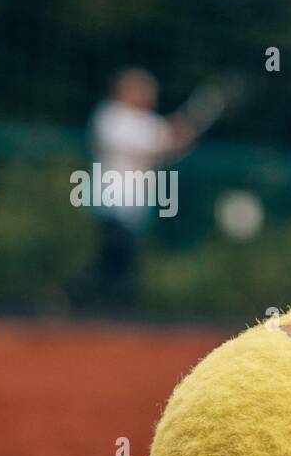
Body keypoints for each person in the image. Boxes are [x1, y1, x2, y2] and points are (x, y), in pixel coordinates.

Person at [71, 68, 203, 310]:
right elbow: (157, 142)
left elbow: (171, 145)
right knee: (118, 251)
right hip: (111, 198)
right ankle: (80, 298)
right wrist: (179, 131)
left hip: (136, 201)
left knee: (121, 257)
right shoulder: (110, 117)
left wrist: (186, 131)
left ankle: (101, 306)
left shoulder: (147, 122)